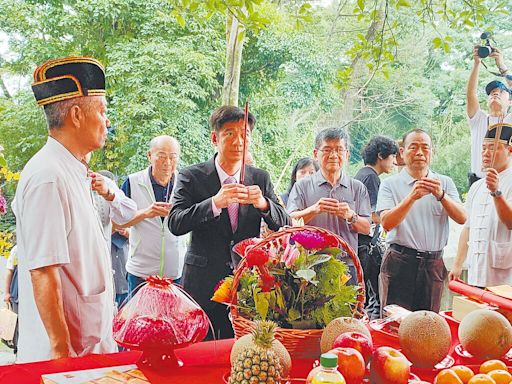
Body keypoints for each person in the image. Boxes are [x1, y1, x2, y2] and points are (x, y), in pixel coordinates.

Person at [13, 57, 117, 362]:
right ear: (75, 115)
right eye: (101, 111)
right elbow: (44, 271)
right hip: (66, 360)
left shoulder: (72, 167)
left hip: (89, 349)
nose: (106, 121)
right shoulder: (48, 176)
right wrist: (61, 355)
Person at [169, 105, 290, 339]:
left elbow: (283, 222)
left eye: (244, 134)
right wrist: (214, 203)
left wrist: (263, 203)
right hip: (202, 284)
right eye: (230, 134)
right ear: (215, 138)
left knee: (239, 350)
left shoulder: (260, 177)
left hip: (246, 286)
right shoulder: (191, 176)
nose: (238, 141)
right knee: (200, 353)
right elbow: (175, 222)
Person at [376, 128, 467, 313]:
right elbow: (386, 223)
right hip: (400, 262)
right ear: (402, 152)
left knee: (428, 326)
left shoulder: (444, 183)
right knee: (394, 324)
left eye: (425, 148)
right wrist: (412, 197)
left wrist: (441, 195)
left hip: (433, 264)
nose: (419, 153)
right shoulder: (390, 184)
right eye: (413, 147)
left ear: (432, 152)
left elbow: (462, 217)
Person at [287, 128, 371, 281]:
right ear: (315, 153)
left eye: (339, 150)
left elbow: (366, 228)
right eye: (327, 149)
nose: (333, 155)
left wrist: (351, 216)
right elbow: (290, 222)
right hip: (310, 266)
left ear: (347, 154)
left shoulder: (357, 187)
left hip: (347, 266)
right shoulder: (302, 186)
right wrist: (314, 209)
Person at [120, 136, 186, 296]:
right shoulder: (132, 182)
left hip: (175, 271)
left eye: (173, 156)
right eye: (162, 156)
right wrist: (146, 213)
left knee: (172, 319)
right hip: (141, 272)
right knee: (140, 319)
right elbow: (118, 222)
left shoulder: (185, 182)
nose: (168, 162)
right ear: (150, 156)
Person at [449, 123, 512, 287]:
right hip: (477, 272)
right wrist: (457, 265)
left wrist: (496, 193)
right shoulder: (477, 186)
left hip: (505, 278)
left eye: (493, 148)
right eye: (483, 148)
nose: (486, 153)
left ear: (509, 150)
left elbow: (510, 222)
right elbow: (468, 228)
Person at [354, 136, 398, 320]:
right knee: (375, 297)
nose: (395, 162)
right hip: (365, 246)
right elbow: (373, 214)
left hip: (361, 244)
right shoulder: (370, 178)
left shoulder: (362, 174)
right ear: (381, 155)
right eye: (393, 156)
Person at [89, 168, 136, 307]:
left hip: (121, 262)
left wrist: (126, 232)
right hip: (101, 259)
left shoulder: (117, 199)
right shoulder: (93, 202)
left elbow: (130, 213)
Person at [467, 45, 512, 187]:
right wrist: (476, 63)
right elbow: (470, 94)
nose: (495, 93)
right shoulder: (478, 119)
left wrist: (502, 66)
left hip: (506, 185)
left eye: (501, 91)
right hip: (478, 184)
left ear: (510, 100)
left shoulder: (510, 120)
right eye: (492, 92)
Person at [3, 245, 18, 355]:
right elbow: (9, 272)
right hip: (17, 294)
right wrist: (7, 293)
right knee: (16, 322)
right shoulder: (16, 250)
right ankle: (18, 348)